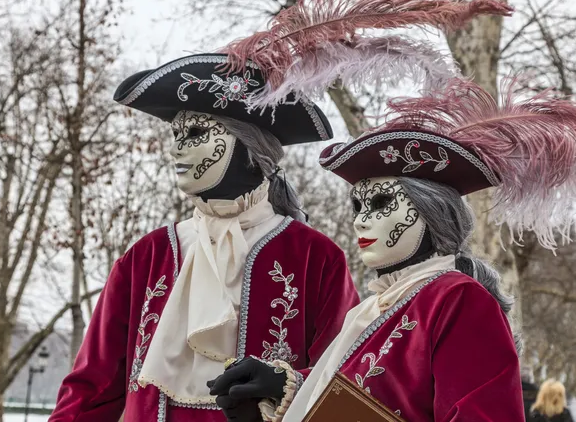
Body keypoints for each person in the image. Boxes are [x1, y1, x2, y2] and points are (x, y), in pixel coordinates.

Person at [209, 75, 576, 421]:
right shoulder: (373, 309)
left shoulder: (458, 299)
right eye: (358, 206)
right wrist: (276, 389)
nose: (360, 220)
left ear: (430, 214)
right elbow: (361, 398)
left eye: (381, 204)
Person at [48, 50, 360, 422]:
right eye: (176, 133)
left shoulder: (314, 257)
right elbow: (90, 389)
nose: (177, 147)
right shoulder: (147, 256)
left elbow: (344, 381)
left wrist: (284, 385)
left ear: (250, 148)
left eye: (195, 133)